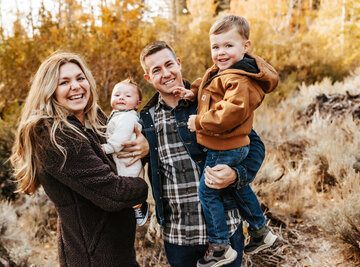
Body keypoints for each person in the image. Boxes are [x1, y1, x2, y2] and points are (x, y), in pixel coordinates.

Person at [123, 40, 266, 267]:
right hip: (178, 235)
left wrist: (236, 174)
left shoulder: (209, 100)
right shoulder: (144, 120)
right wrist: (145, 152)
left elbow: (255, 145)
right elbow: (128, 163)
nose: (166, 73)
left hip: (224, 232)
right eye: (156, 70)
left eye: (169, 64)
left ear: (178, 64)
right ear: (148, 78)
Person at [10, 52, 149, 267]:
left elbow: (123, 153)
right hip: (93, 257)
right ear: (50, 91)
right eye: (64, 82)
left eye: (80, 78)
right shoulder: (55, 135)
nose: (76, 86)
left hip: (118, 250)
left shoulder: (93, 117)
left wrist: (144, 148)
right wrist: (141, 185)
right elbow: (113, 193)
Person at [173, 15, 278, 266]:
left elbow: (231, 112)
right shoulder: (226, 71)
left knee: (207, 193)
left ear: (246, 46)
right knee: (238, 187)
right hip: (229, 146)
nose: (221, 52)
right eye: (215, 46)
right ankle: (260, 231)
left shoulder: (239, 78)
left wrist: (198, 121)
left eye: (228, 46)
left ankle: (220, 246)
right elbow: (211, 87)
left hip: (225, 146)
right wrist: (193, 92)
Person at [102, 78, 150, 226]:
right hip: (122, 158)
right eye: (117, 95)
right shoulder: (117, 115)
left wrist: (107, 148)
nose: (121, 97)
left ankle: (139, 206)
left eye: (127, 96)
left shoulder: (128, 117)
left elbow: (121, 137)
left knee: (129, 185)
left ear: (137, 104)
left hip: (127, 160)